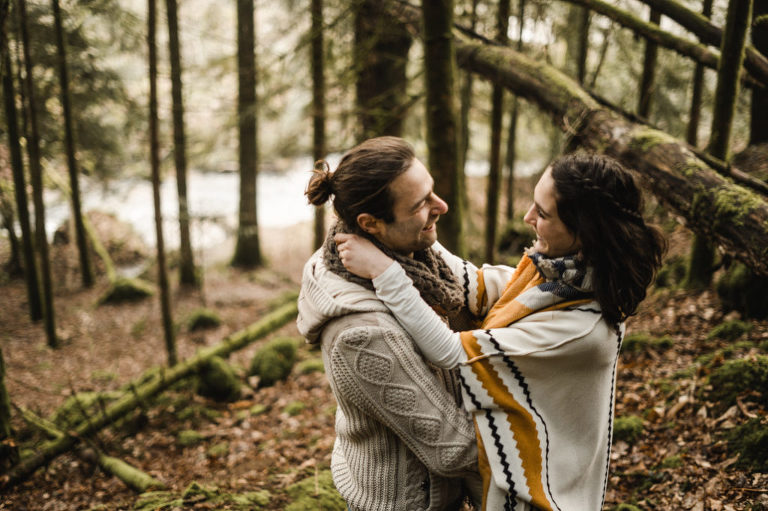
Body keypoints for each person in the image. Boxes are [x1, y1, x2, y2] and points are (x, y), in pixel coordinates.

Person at [335, 153, 666, 510]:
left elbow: (450, 352)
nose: (528, 218)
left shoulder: (579, 328)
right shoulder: (564, 274)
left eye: (543, 213)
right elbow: (476, 283)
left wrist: (385, 273)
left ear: (584, 231)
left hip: (539, 499)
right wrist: (414, 228)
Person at [296, 136, 480, 511]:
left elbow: (480, 286)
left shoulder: (410, 253)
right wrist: (547, 424)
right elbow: (455, 448)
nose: (441, 206)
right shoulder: (360, 334)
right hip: (409, 501)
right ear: (371, 224)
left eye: (432, 191)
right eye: (421, 204)